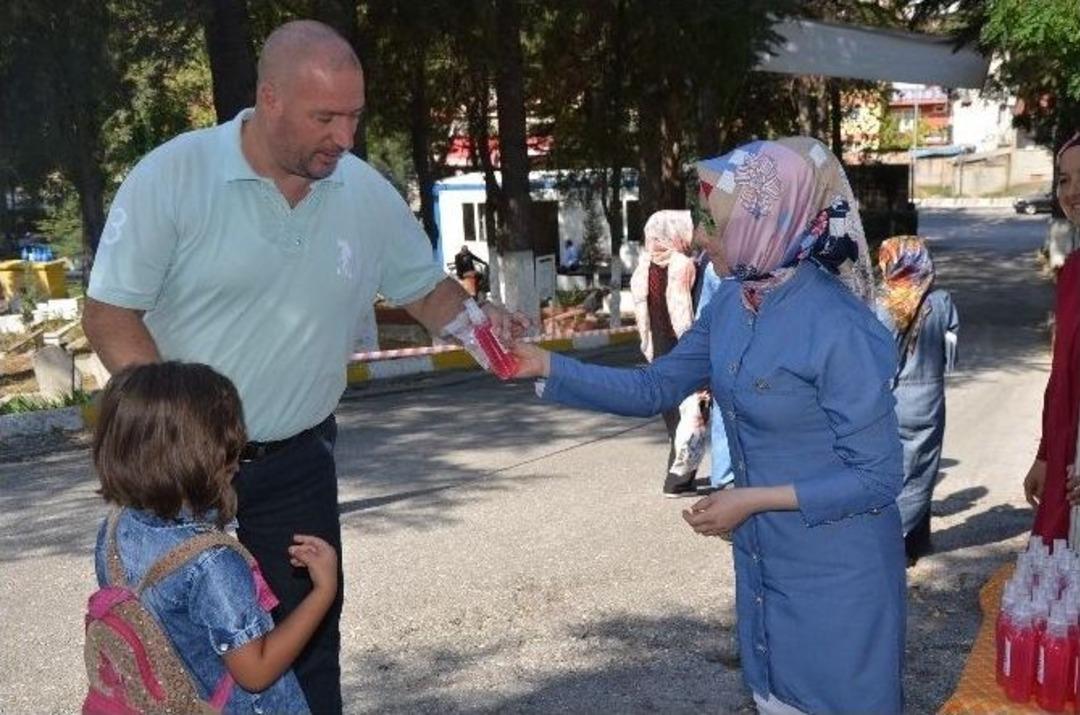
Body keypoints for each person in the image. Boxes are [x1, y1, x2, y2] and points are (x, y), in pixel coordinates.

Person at [81, 20, 524, 713]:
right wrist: (174, 435)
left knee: (307, 645)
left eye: (353, 116)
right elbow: (109, 313)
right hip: (179, 473)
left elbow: (425, 289)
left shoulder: (365, 191)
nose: (344, 138)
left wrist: (479, 322)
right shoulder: (174, 174)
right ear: (270, 99)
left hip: (293, 466)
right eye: (326, 117)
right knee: (181, 658)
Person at [514, 137, 905, 714]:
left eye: (713, 225)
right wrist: (544, 364)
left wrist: (751, 499)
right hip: (764, 576)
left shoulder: (839, 326)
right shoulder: (731, 303)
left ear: (765, 224)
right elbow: (654, 388)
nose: (698, 239)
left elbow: (879, 478)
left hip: (840, 586)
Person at [91, 361, 337, 713]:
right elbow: (256, 671)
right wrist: (322, 591)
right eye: (230, 441)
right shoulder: (212, 562)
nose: (237, 453)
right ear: (203, 456)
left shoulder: (116, 528)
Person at [875, 236, 958, 564]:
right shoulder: (942, 301)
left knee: (890, 472)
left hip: (891, 401)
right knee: (920, 472)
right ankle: (904, 541)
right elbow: (951, 357)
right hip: (928, 401)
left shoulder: (884, 305)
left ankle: (893, 540)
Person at [629, 210, 708, 497]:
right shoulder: (685, 265)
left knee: (675, 417)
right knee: (693, 415)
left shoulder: (642, 267)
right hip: (681, 346)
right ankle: (677, 481)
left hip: (658, 348)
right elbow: (689, 312)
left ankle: (676, 477)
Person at [1025, 130, 1080, 538]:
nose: (1072, 191)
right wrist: (1047, 455)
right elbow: (1062, 377)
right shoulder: (1073, 271)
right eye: (1064, 179)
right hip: (1069, 467)